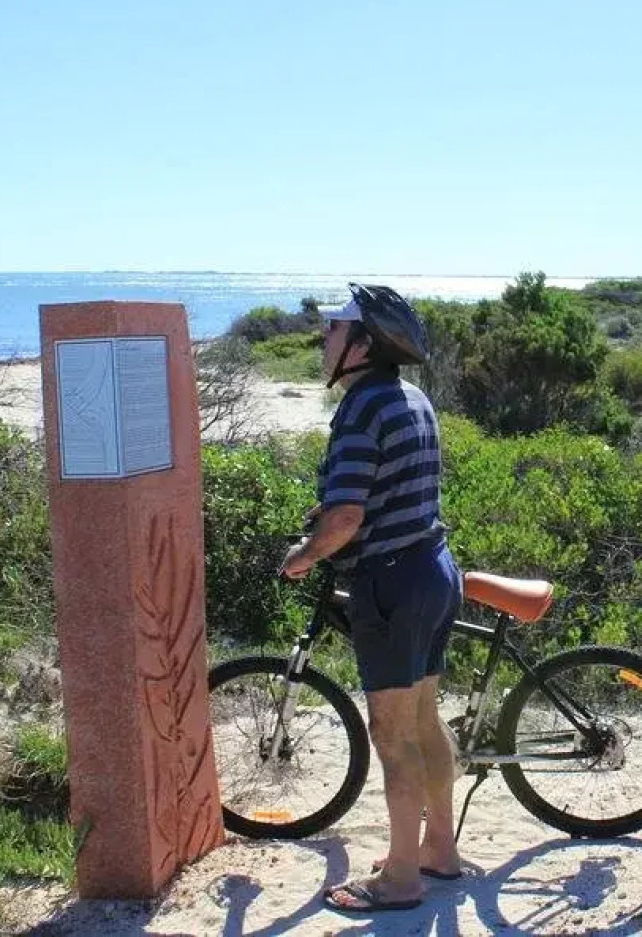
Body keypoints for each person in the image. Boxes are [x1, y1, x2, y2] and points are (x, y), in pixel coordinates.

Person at [279, 283, 466, 914]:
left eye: (333, 329)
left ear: (363, 345)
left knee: (392, 734)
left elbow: (349, 517)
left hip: (389, 585)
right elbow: (381, 489)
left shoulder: (360, 409)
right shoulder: (411, 398)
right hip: (434, 569)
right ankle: (440, 851)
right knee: (423, 720)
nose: (322, 338)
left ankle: (401, 879)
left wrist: (304, 557)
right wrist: (331, 514)